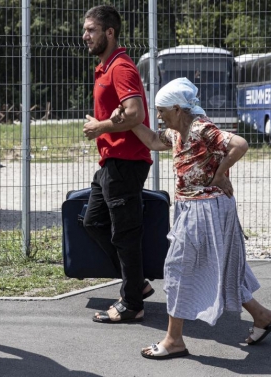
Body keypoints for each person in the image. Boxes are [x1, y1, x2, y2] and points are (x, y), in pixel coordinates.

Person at [118, 77, 271, 359]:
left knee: (177, 269)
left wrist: (220, 174)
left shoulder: (199, 127)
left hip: (205, 208)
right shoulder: (178, 132)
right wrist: (129, 120)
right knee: (223, 266)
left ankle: (174, 340)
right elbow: (151, 140)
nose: (158, 115)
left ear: (178, 109)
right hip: (198, 208)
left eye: (161, 110)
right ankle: (263, 317)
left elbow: (240, 144)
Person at [81, 5, 154, 323]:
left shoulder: (121, 68)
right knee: (93, 222)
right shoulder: (104, 68)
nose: (85, 36)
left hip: (126, 162)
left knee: (125, 234)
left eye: (91, 30)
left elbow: (135, 112)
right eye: (85, 30)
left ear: (109, 33)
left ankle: (132, 304)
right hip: (111, 163)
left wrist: (100, 127)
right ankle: (136, 285)